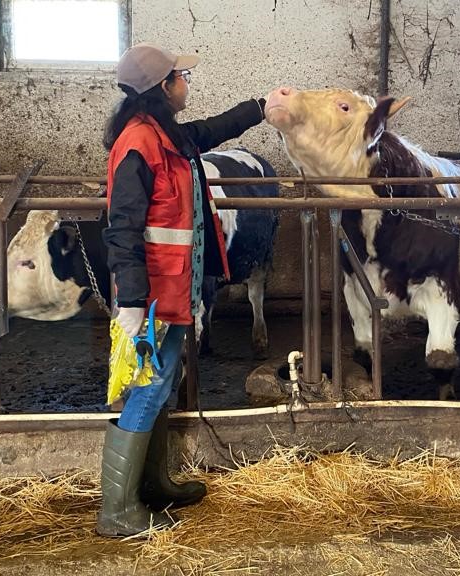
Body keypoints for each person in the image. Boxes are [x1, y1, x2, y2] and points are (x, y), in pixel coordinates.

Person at [97, 42, 268, 537]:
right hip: (150, 296)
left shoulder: (164, 135)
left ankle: (152, 485)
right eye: (180, 77)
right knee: (148, 388)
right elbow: (123, 228)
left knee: (163, 384)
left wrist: (259, 108)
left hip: (175, 289)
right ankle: (117, 511)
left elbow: (210, 131)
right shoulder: (138, 144)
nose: (186, 84)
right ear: (161, 88)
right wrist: (130, 303)